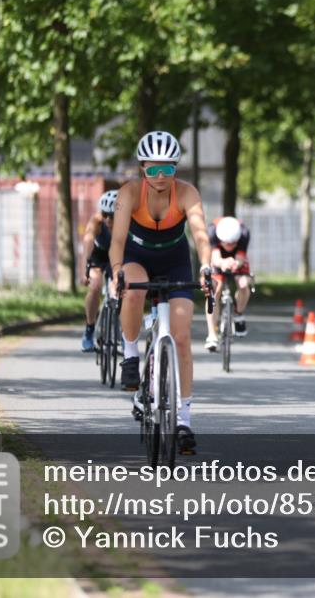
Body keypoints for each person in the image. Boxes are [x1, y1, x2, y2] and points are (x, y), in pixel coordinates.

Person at [107, 131, 212, 452]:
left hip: (175, 260)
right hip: (137, 258)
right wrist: (115, 273)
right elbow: (118, 243)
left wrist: (207, 267)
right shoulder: (128, 194)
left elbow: (200, 234)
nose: (161, 176)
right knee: (133, 289)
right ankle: (130, 355)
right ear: (142, 169)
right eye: (154, 170)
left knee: (181, 337)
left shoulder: (187, 194)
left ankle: (183, 421)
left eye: (168, 169)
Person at [204, 216, 253, 351]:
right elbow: (215, 258)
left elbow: (241, 258)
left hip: (237, 259)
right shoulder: (212, 232)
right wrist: (223, 263)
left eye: (233, 243)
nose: (230, 247)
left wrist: (236, 263)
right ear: (220, 239)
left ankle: (239, 314)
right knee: (213, 290)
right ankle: (212, 334)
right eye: (227, 244)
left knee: (243, 283)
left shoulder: (244, 234)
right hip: (218, 257)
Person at [80, 190, 118, 352]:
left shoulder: (127, 222)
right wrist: (84, 270)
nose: (108, 219)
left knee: (117, 290)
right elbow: (88, 241)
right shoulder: (96, 221)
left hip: (116, 255)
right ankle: (89, 329)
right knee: (94, 287)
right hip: (98, 254)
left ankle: (118, 332)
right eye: (105, 215)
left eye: (112, 215)